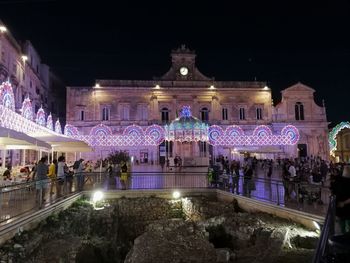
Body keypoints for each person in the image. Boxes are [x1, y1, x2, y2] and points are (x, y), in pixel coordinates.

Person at [331, 163, 350, 234]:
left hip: (342, 209)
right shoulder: (340, 181)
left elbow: (333, 191)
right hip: (343, 209)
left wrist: (343, 203)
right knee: (343, 225)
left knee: (343, 225)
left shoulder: (339, 181)